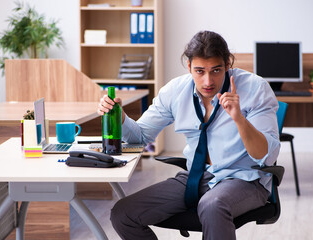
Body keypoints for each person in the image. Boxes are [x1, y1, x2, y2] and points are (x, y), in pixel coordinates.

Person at [97, 30, 280, 240]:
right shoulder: (175, 91)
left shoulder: (256, 89)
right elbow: (139, 137)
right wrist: (120, 117)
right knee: (123, 214)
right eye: (200, 71)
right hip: (196, 177)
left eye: (216, 70)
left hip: (244, 178)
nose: (208, 81)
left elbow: (266, 155)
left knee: (212, 205)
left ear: (228, 65)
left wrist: (239, 118)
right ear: (189, 66)